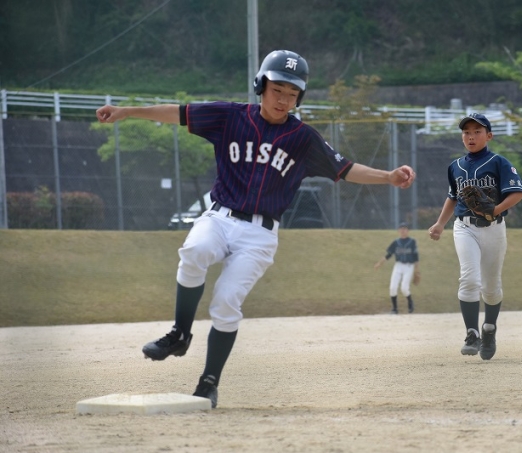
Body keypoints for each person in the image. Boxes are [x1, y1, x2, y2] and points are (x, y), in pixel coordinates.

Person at [95, 50, 415, 409]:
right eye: (277, 89)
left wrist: (388, 176)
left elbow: (345, 168)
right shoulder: (230, 116)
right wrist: (126, 112)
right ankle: (180, 334)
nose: (284, 100)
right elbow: (178, 113)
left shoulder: (303, 138)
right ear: (260, 85)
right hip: (219, 217)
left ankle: (209, 382)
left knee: (226, 301)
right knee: (195, 251)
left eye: (292, 94)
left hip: (260, 236)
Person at [427, 113, 522, 360]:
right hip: (464, 227)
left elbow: (518, 192)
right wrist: (440, 223)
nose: (471, 136)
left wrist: (496, 209)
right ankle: (472, 334)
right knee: (469, 279)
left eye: (477, 131)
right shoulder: (455, 167)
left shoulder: (499, 162)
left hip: (494, 228)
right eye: (466, 132)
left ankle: (489, 329)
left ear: (489, 136)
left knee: (491, 288)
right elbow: (453, 197)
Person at [374, 222, 420, 314]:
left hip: (409, 266)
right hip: (398, 265)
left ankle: (410, 302)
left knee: (404, 288)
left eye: (405, 229)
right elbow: (389, 255)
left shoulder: (412, 242)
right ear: (398, 230)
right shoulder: (396, 242)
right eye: (401, 229)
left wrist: (417, 270)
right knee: (392, 287)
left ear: (408, 231)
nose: (403, 230)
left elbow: (416, 256)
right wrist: (379, 263)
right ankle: (394, 309)